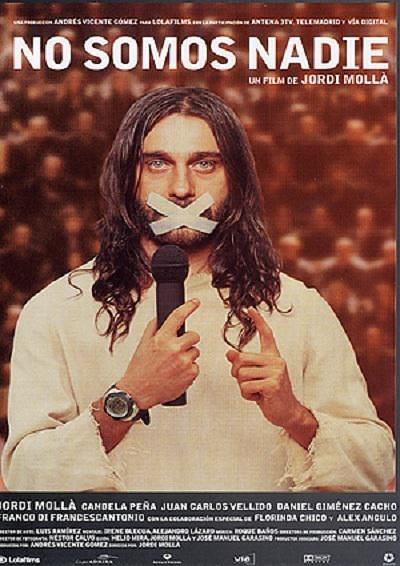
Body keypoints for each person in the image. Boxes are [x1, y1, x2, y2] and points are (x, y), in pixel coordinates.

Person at [2, 87, 394, 492]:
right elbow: (26, 477)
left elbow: (377, 465)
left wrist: (295, 417)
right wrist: (127, 398)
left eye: (204, 164)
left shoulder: (297, 308)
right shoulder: (57, 310)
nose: (181, 188)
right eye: (157, 163)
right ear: (126, 177)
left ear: (235, 177)